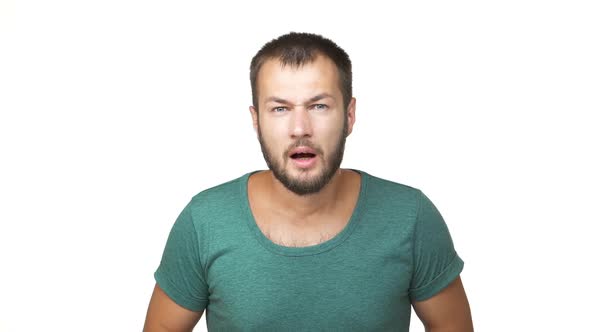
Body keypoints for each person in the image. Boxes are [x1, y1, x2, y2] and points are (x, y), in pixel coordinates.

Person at [144, 32, 473, 332]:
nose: (300, 127)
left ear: (349, 115)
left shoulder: (410, 217)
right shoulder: (205, 221)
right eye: (279, 108)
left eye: (319, 106)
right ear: (256, 121)